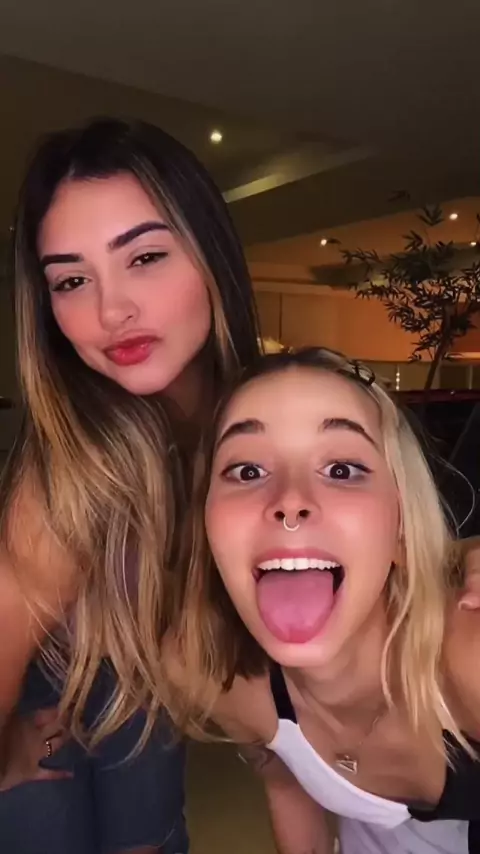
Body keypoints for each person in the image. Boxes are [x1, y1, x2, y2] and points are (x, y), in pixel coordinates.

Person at [0, 116, 260, 853]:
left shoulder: (262, 421)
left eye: (144, 257)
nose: (111, 311)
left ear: (210, 254)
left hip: (147, 692)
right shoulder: (73, 473)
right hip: (48, 710)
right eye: (72, 280)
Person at [177, 347, 480, 854]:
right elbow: (285, 785)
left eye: (342, 469)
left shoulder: (467, 656)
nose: (290, 501)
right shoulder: (220, 681)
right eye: (247, 471)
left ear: (401, 527)